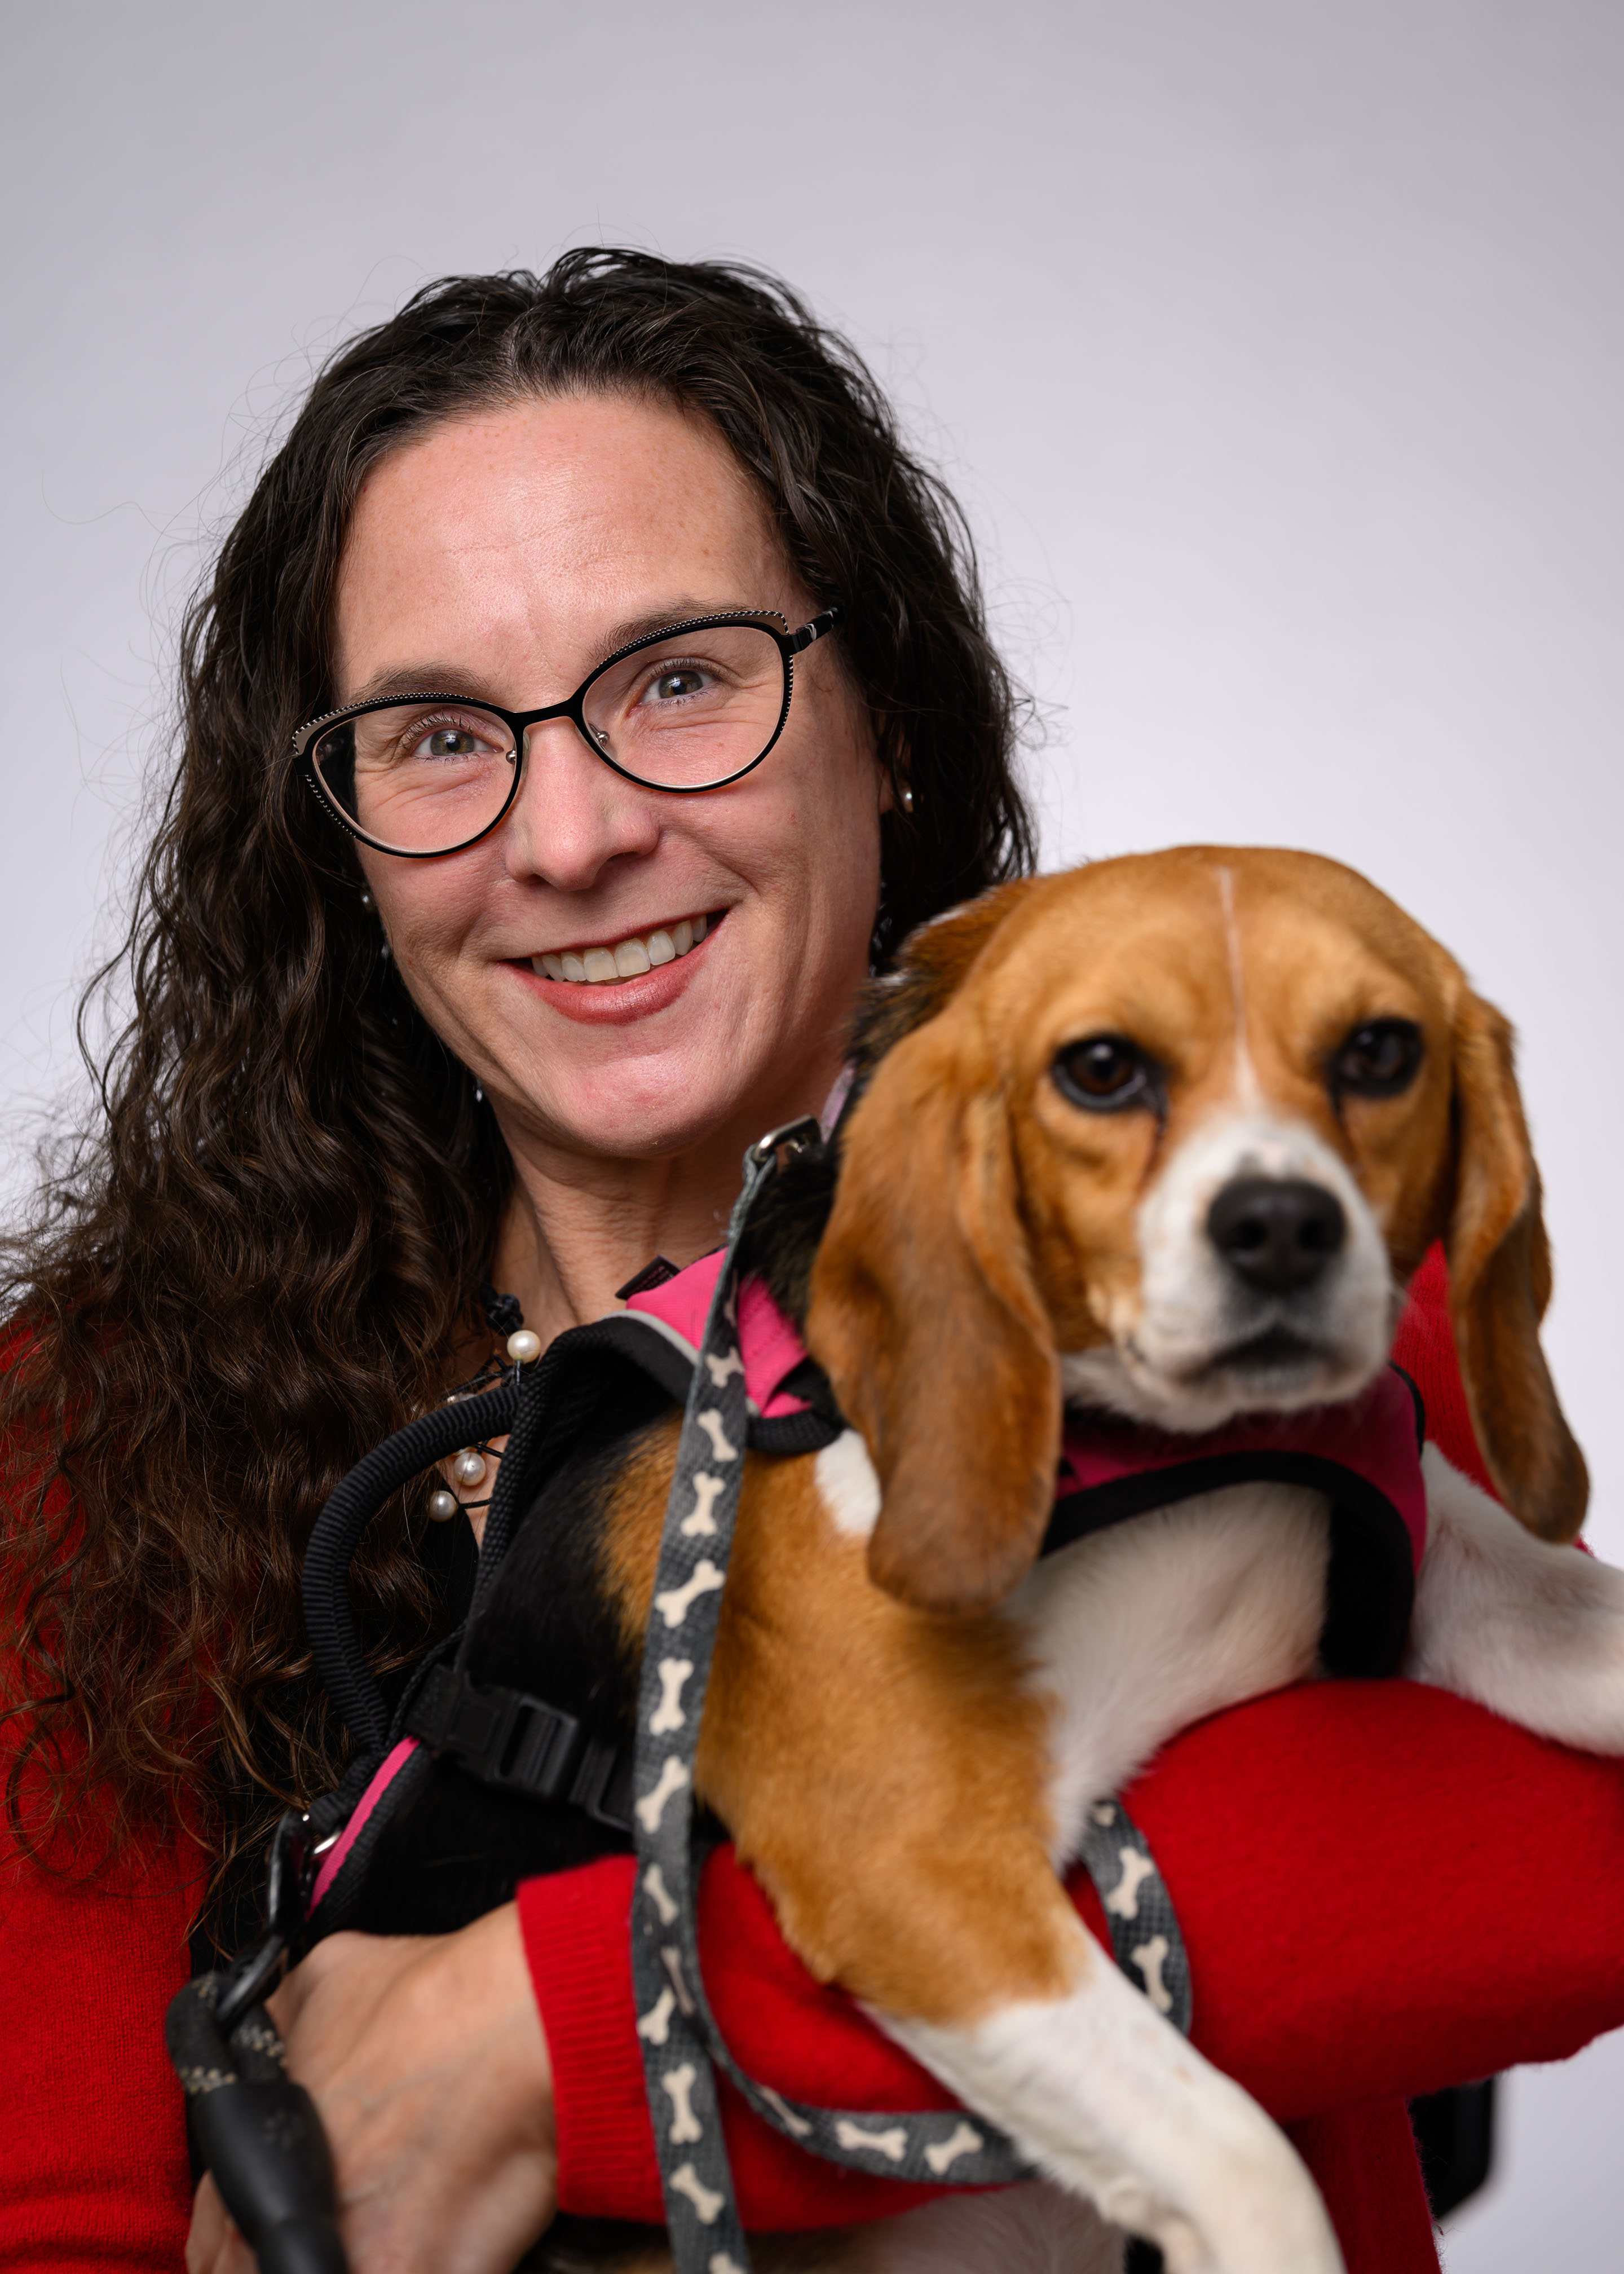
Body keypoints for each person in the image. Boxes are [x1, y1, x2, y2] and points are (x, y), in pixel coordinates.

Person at [3, 251, 1623, 2274]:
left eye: (680, 678)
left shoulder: (1246, 1289)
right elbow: (61, 2219)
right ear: (335, 842)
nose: (573, 835)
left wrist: (551, 2025)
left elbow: (1549, 1878)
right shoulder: (82, 1428)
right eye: (438, 736)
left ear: (894, 729)